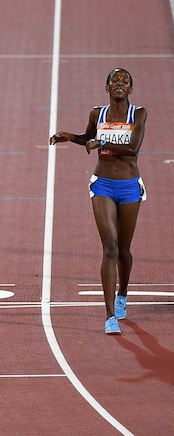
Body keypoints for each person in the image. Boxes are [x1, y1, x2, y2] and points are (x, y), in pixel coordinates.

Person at [49, 68, 147, 335]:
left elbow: (132, 148)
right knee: (110, 248)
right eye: (114, 80)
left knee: (125, 250)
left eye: (125, 81)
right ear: (107, 88)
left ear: (130, 89)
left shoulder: (137, 114)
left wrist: (101, 141)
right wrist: (71, 137)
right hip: (102, 184)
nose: (119, 83)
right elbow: (88, 139)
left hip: (129, 187)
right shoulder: (98, 114)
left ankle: (123, 294)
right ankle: (109, 315)